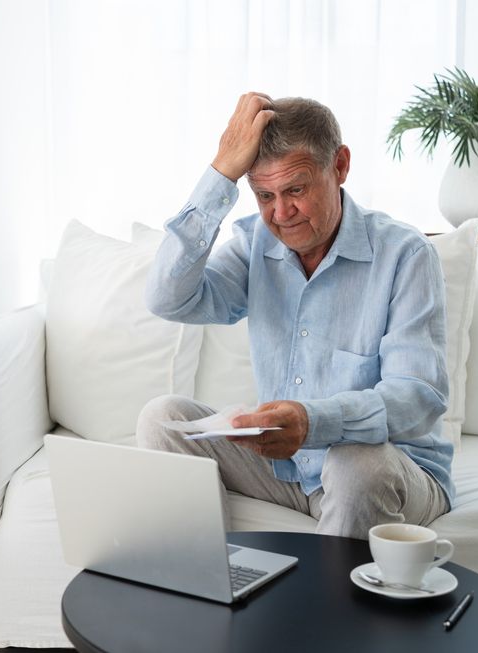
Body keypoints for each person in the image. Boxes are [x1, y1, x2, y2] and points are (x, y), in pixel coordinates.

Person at [138, 92, 453, 540]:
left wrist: (312, 422)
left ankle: (332, 610)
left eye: (296, 190)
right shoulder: (256, 246)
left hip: (391, 468)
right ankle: (211, 582)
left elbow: (418, 397)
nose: (281, 214)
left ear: (340, 166)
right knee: (161, 417)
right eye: (264, 195)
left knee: (353, 460)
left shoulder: (406, 255)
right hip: (286, 469)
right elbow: (167, 298)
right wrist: (221, 172)